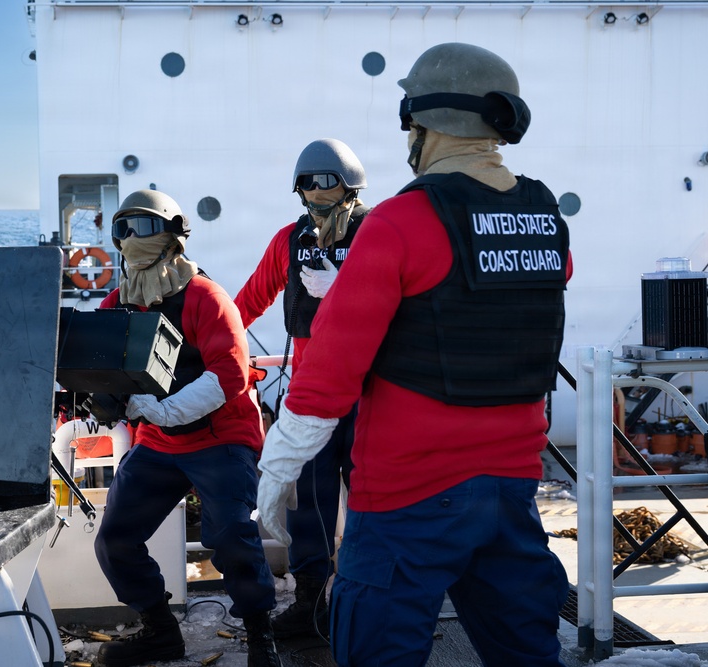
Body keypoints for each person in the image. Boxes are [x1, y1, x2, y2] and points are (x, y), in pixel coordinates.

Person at [256, 43, 573, 666]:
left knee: (375, 649)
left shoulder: (402, 221)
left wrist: (276, 469)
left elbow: (328, 373)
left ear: (421, 122)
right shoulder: (545, 218)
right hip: (510, 491)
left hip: (409, 500)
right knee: (527, 654)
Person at [93, 189, 282, 667]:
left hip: (221, 438)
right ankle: (160, 631)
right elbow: (97, 360)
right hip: (159, 445)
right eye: (124, 230)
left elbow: (229, 377)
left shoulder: (206, 298)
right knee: (115, 538)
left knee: (233, 535)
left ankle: (262, 635)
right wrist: (98, 391)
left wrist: (155, 410)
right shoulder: (120, 302)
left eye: (146, 228)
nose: (134, 240)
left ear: (174, 235)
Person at [233, 138, 369, 639]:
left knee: (374, 496)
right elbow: (250, 299)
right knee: (310, 499)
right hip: (312, 392)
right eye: (308, 183)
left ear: (350, 184)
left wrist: (347, 287)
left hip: (369, 391)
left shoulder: (378, 233)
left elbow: (409, 299)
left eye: (327, 181)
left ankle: (376, 597)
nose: (316, 192)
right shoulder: (290, 241)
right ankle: (313, 603)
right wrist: (208, 343)